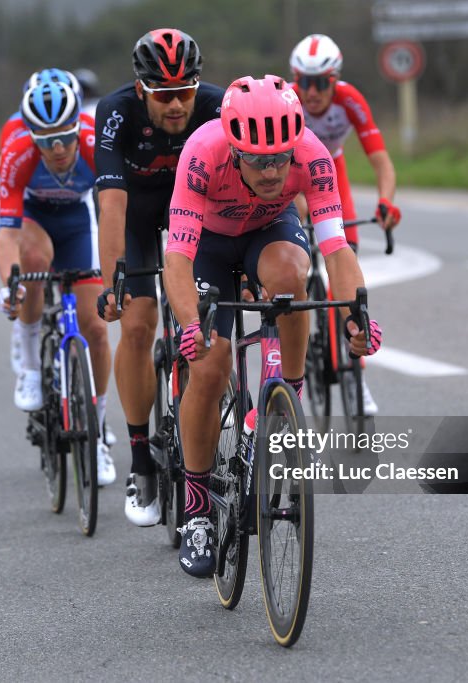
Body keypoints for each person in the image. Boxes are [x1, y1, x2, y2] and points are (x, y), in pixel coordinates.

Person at [163, 75, 383, 577]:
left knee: (291, 274)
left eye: (280, 158)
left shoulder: (312, 154)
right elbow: (177, 257)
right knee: (211, 364)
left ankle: (289, 387)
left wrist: (357, 315)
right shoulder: (201, 152)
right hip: (210, 247)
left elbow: (337, 249)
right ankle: (197, 509)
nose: (271, 171)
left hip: (270, 230)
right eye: (258, 160)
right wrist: (188, 326)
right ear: (235, 150)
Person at [94, 28, 225, 527]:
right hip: (134, 213)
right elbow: (110, 203)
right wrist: (113, 283)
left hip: (196, 211)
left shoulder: (217, 105)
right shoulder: (117, 111)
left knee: (209, 322)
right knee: (139, 320)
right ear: (141, 88)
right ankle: (141, 459)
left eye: (185, 92)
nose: (176, 105)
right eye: (163, 94)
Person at [0, 80, 116, 486]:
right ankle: (30, 363)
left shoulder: (94, 144)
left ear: (76, 127)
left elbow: (115, 211)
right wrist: (11, 285)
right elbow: (7, 235)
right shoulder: (17, 153)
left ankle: (98, 433)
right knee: (31, 262)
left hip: (77, 222)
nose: (59, 148)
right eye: (47, 141)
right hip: (32, 217)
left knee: (96, 327)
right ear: (32, 136)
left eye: (65, 137)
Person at [289, 33, 402, 415]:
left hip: (331, 171)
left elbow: (381, 160)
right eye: (304, 82)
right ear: (294, 80)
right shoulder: (287, 101)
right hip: (291, 176)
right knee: (296, 255)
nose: (312, 91)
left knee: (345, 264)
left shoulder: (350, 100)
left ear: (334, 80)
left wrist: (386, 201)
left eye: (321, 83)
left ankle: (357, 377)